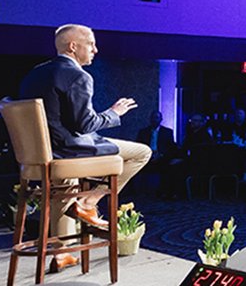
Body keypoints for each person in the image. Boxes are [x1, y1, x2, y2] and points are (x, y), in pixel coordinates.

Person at [18, 24, 151, 272]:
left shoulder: (35, 74)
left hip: (40, 156)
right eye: (91, 44)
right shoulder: (78, 76)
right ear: (73, 46)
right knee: (142, 152)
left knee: (64, 183)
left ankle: (64, 254)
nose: (95, 49)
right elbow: (85, 124)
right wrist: (114, 113)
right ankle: (89, 202)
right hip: (69, 151)